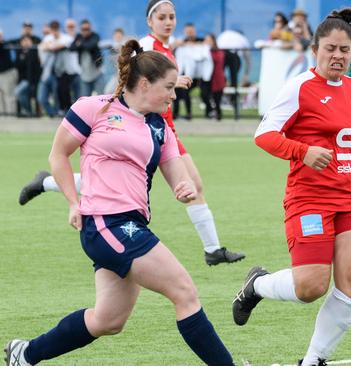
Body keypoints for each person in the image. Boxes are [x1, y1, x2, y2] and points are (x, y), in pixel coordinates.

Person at [4, 39, 234, 366]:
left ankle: (25, 354)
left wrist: (183, 188)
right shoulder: (93, 107)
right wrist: (73, 201)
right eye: (168, 87)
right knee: (184, 292)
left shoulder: (160, 129)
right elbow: (58, 155)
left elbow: (178, 176)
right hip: (105, 222)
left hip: (130, 225)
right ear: (144, 84)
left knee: (108, 320)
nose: (173, 94)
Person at [231, 8, 351, 366]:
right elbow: (264, 135)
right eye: (330, 49)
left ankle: (314, 359)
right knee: (311, 287)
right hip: (310, 200)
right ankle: (256, 285)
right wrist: (302, 151)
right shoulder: (300, 88)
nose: (337, 56)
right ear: (315, 49)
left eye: (345, 50)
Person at [18, 0, 245, 267]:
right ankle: (213, 249)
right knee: (143, 180)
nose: (169, 22)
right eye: (162, 17)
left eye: (172, 16)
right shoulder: (147, 47)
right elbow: (132, 81)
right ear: (150, 21)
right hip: (145, 126)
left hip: (164, 129)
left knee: (186, 185)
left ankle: (213, 248)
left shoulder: (167, 47)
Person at [70, 19, 103, 97]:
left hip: (96, 73)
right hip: (84, 74)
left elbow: (90, 46)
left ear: (90, 28)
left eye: (87, 29)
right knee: (85, 99)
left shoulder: (95, 35)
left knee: (101, 98)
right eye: (83, 29)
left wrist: (80, 43)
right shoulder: (78, 36)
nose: (85, 31)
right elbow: (71, 48)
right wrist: (83, 43)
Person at [14, 35, 42, 117]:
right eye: (24, 41)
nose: (26, 43)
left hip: (33, 80)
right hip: (24, 80)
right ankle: (29, 111)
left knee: (18, 92)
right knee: (21, 94)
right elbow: (17, 65)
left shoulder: (34, 51)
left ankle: (31, 112)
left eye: (28, 41)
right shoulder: (20, 52)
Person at [203, 33, 226, 121]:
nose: (207, 42)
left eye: (209, 40)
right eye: (206, 40)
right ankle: (210, 111)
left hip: (217, 79)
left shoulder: (218, 52)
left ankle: (218, 115)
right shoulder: (203, 50)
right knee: (204, 95)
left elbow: (217, 60)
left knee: (217, 99)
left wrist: (207, 51)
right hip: (206, 78)